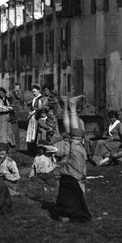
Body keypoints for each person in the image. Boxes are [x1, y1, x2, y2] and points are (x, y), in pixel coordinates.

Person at [50, 95, 91, 223]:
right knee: (71, 136)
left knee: (73, 136)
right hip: (65, 168)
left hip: (72, 169)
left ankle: (70, 106)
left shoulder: (74, 201)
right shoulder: (63, 201)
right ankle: (69, 105)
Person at [25, 85, 43, 155]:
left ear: (38, 91)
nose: (33, 93)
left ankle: (36, 148)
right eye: (32, 92)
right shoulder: (35, 98)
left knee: (36, 131)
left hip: (37, 117)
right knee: (32, 131)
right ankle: (31, 149)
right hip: (32, 117)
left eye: (35, 91)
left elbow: (39, 108)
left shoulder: (40, 98)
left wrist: (33, 112)